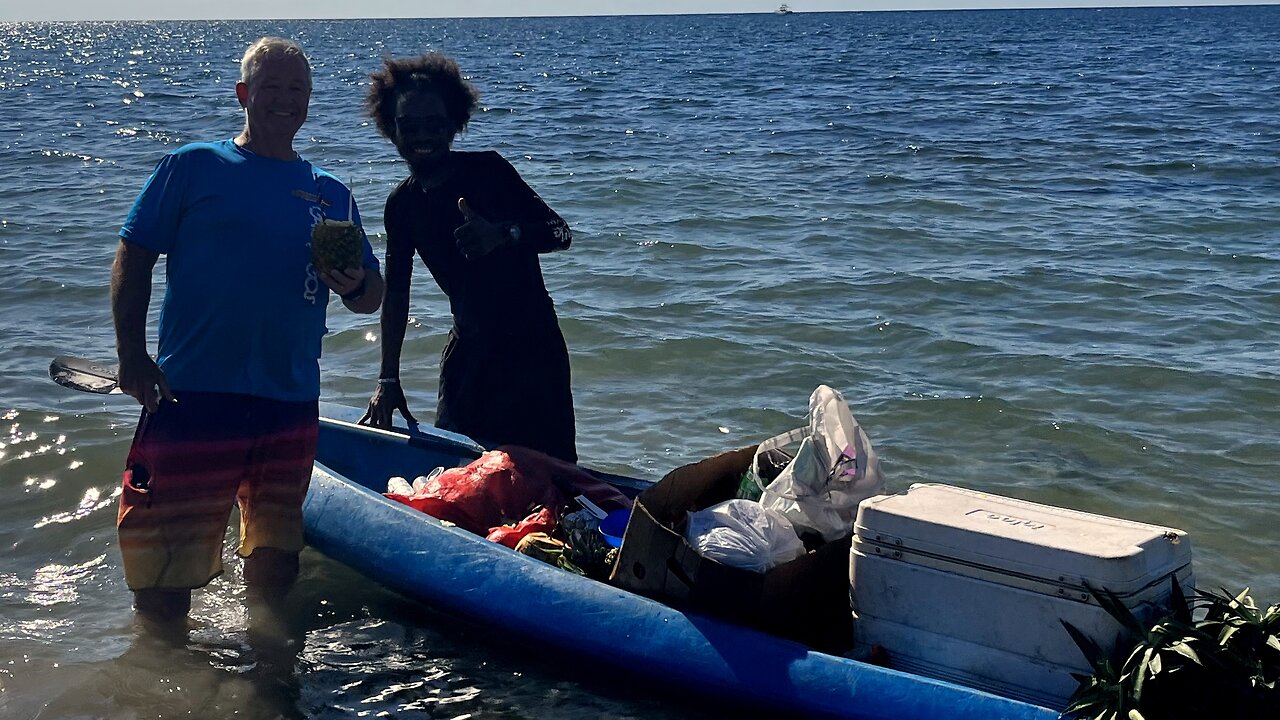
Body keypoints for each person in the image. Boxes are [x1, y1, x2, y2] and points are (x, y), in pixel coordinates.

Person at [111, 36, 384, 626]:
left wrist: (355, 283)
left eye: (298, 91)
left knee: (275, 559)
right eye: (273, 88)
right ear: (244, 94)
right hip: (193, 394)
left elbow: (371, 297)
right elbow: (134, 255)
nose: (286, 101)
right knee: (163, 570)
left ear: (309, 103)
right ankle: (158, 686)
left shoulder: (331, 193)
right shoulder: (193, 166)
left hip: (287, 400)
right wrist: (130, 356)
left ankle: (267, 669)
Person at [358, 53, 578, 464]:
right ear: (391, 128)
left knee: (551, 475)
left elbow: (560, 233)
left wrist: (505, 234)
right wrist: (388, 378)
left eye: (435, 124)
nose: (423, 135)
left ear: (454, 124)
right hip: (468, 360)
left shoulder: (489, 172)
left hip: (534, 353)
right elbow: (397, 295)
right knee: (459, 475)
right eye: (410, 125)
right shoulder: (402, 205)